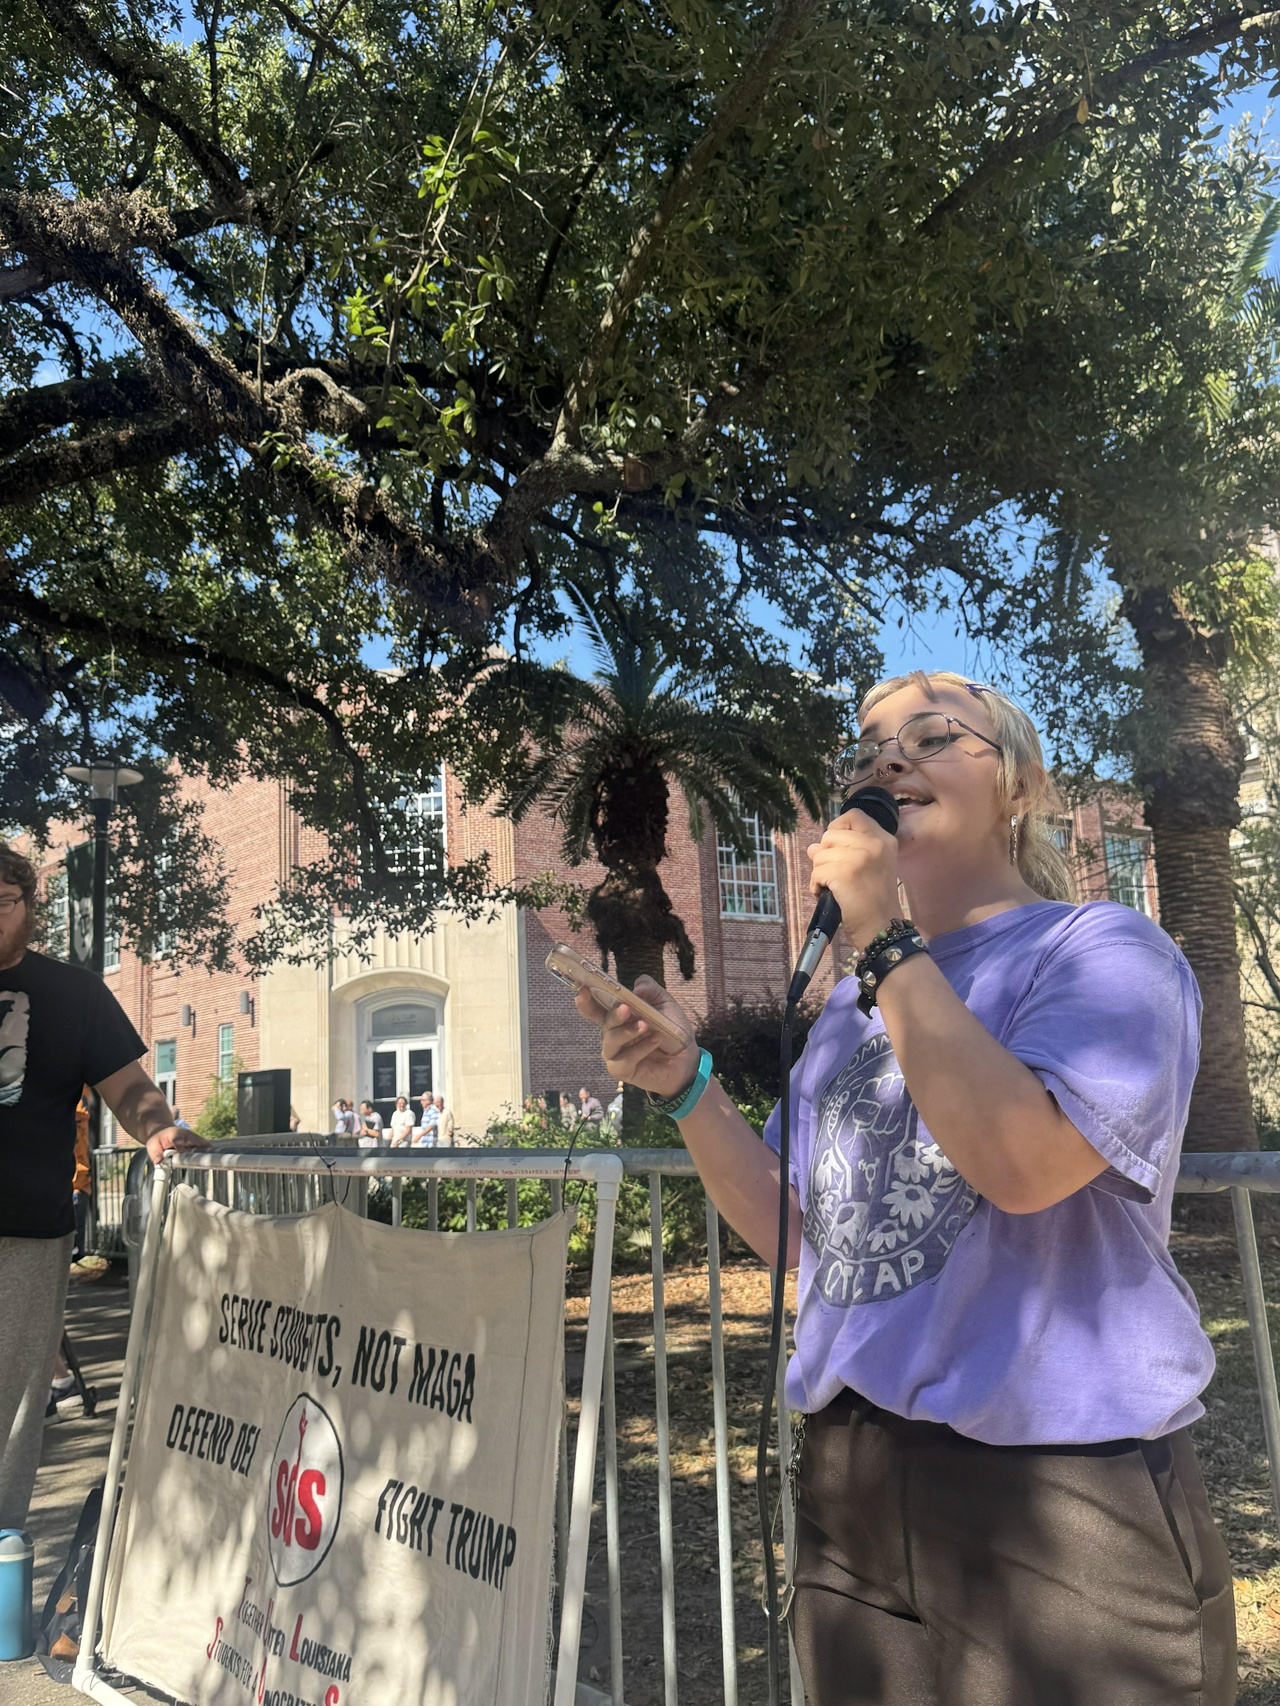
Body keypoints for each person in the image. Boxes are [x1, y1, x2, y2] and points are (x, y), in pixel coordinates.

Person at [572, 671, 1233, 1706]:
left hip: (1055, 1485)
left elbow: (1023, 1166)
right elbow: (797, 1231)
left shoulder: (1101, 950)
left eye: (933, 737)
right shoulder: (845, 1008)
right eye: (869, 746)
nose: (887, 759)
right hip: (853, 1475)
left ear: (1016, 786)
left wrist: (882, 941)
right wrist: (687, 1082)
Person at [0, 843, 205, 1531]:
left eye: (3, 902)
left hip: (27, 1235)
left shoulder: (74, 993)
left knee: (12, 1410)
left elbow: (130, 1089)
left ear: (30, 908)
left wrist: (161, 1130)